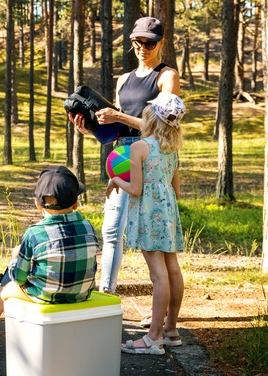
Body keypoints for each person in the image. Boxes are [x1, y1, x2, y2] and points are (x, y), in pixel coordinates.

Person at [68, 16, 181, 305]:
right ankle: (107, 294)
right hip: (121, 153)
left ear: (161, 43)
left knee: (154, 243)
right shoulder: (123, 80)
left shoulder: (166, 76)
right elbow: (117, 130)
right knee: (112, 229)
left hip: (152, 154)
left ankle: (163, 321)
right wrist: (90, 128)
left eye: (150, 43)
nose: (143, 48)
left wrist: (118, 115)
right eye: (137, 42)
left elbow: (165, 125)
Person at [0, 166, 98, 351]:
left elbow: (19, 277)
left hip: (46, 297)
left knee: (2, 294)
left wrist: (13, 258)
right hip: (82, 294)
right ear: (75, 205)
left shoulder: (34, 233)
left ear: (38, 204)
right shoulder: (88, 227)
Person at [106, 92, 186, 355]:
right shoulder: (171, 148)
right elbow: (176, 189)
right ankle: (171, 330)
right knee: (172, 269)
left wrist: (116, 181)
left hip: (149, 213)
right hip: (168, 211)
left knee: (158, 275)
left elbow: (137, 189)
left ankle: (154, 337)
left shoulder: (140, 147)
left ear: (151, 116)